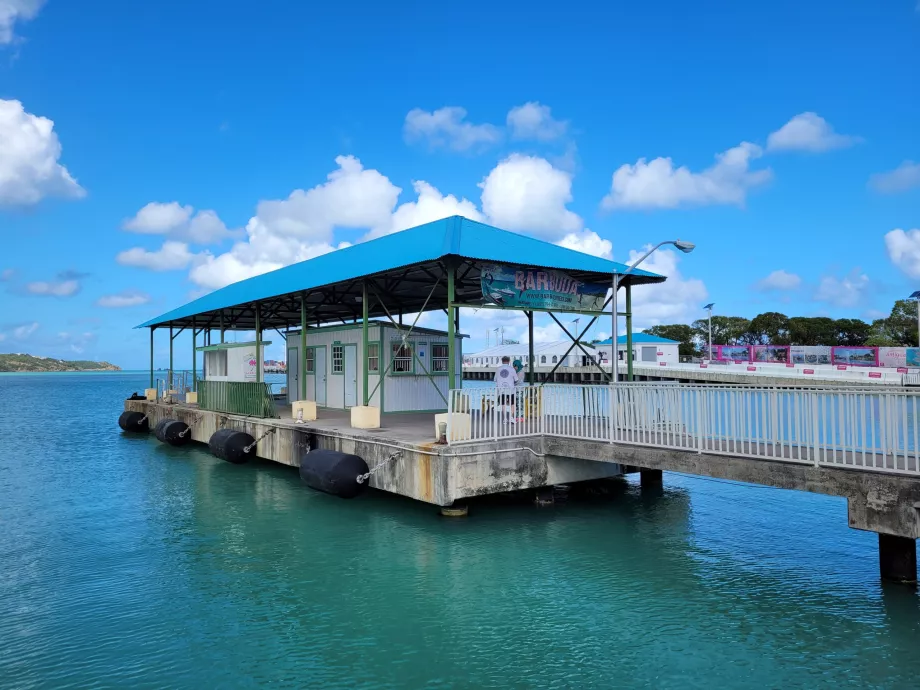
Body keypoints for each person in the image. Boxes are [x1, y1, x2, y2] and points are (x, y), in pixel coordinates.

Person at [493, 356, 517, 424]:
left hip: (501, 389)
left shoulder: (498, 369)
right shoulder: (512, 369)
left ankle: (505, 419)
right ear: (509, 361)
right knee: (512, 403)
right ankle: (511, 418)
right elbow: (516, 379)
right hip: (511, 389)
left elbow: (495, 379)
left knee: (503, 404)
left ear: (502, 361)